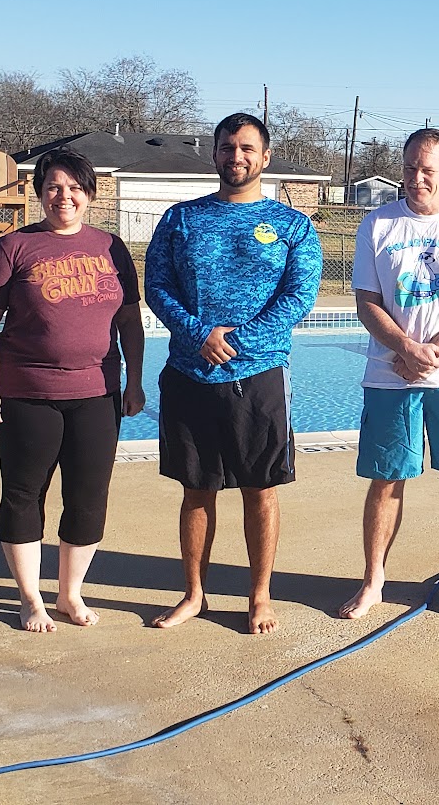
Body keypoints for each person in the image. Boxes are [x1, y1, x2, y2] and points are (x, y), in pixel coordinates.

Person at [143, 112, 323, 634]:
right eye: (227, 147)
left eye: (246, 148)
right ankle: (194, 594)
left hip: (259, 377)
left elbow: (299, 297)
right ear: (215, 154)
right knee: (195, 490)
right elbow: (157, 286)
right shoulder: (181, 218)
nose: (236, 156)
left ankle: (259, 595)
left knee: (260, 490)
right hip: (190, 373)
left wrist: (236, 341)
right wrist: (200, 334)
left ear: (265, 157)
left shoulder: (292, 225)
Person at [0, 148, 146, 633]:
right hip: (27, 393)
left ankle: (70, 594)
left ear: (90, 195)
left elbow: (130, 320)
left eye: (73, 188)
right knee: (24, 494)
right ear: (39, 194)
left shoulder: (111, 247)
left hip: (98, 392)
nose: (63, 196)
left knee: (88, 497)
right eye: (53, 187)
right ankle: (31, 598)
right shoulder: (14, 247)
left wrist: (134, 380)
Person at [337, 128, 439, 622]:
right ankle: (373, 581)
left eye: (427, 169)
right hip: (389, 376)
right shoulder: (377, 224)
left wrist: (430, 354)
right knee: (386, 481)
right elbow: (367, 302)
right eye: (410, 168)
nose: (417, 178)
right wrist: (405, 348)